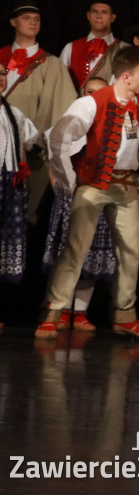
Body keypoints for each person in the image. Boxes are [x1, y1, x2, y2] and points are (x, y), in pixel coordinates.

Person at [37, 45, 139, 339]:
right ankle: (53, 312)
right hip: (93, 183)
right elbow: (59, 139)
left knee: (131, 251)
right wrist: (70, 180)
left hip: (125, 185)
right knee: (76, 249)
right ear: (125, 76)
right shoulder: (92, 103)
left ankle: (125, 316)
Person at [41, 77, 118, 332]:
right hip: (70, 195)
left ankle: (81, 311)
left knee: (93, 251)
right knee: (67, 252)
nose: (94, 97)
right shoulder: (68, 123)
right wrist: (64, 185)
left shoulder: (111, 125)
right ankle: (59, 309)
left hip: (97, 193)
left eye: (100, 92)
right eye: (90, 92)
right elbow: (54, 155)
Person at [2, 0, 78, 221]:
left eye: (37, 19)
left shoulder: (52, 64)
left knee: (21, 211)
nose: (33, 23)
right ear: (13, 22)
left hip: (31, 149)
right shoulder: (0, 57)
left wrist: (37, 141)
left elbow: (62, 110)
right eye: (26, 18)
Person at [0, 64, 40, 330]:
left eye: (2, 74)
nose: (0, 79)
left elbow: (35, 139)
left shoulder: (13, 114)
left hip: (8, 185)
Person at [59, 0, 128, 91]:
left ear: (112, 18)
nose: (99, 16)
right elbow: (59, 83)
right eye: (94, 12)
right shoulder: (71, 47)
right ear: (88, 16)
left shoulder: (125, 49)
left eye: (104, 12)